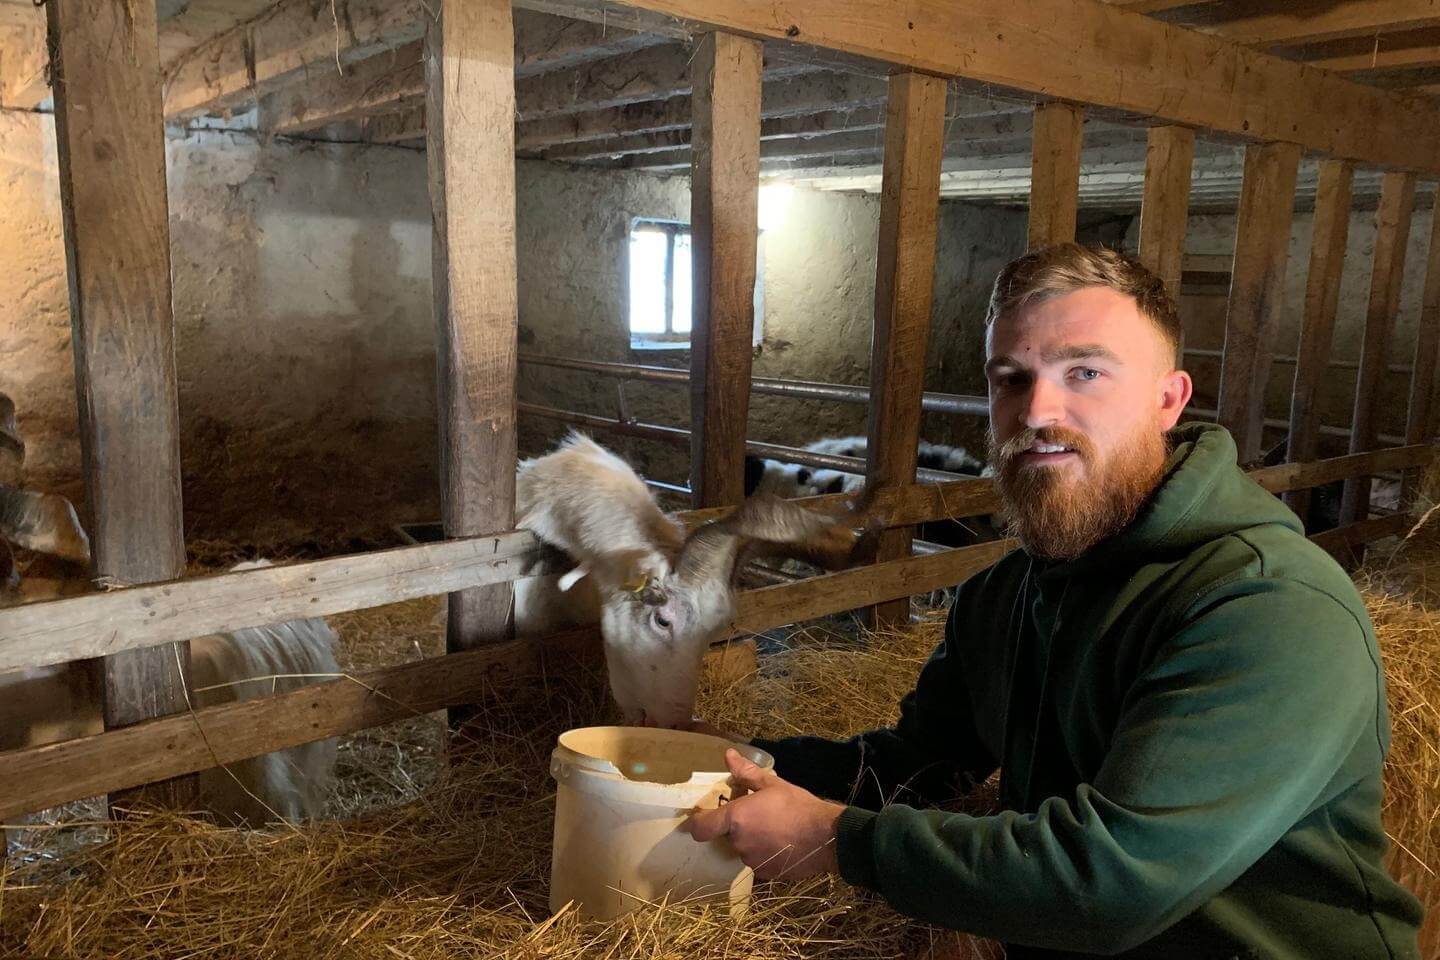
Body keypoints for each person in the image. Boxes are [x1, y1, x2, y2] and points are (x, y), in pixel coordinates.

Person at [684, 243, 1423, 958]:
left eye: (1085, 373)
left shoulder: (1265, 606)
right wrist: (723, 763)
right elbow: (920, 763)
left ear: (1168, 400)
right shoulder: (1007, 593)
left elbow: (1110, 881)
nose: (1038, 410)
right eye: (1011, 378)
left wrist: (833, 839)